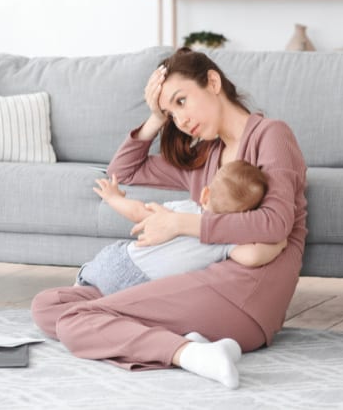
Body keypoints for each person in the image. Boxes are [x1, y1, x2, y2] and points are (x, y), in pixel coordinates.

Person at [30, 47, 307, 390]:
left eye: (181, 101)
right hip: (200, 278)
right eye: (171, 114)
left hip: (247, 290)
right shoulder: (205, 158)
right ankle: (189, 345)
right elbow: (123, 171)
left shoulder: (271, 135)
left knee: (74, 323)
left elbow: (276, 223)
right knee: (49, 307)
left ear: (213, 82)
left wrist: (180, 224)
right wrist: (154, 118)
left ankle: (188, 353)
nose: (181, 120)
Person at [77, 160, 287, 295]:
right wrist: (280, 242)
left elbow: (138, 213)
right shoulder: (227, 241)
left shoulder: (183, 209)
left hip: (119, 264)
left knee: (93, 271)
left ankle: (82, 281)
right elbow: (253, 257)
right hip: (147, 291)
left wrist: (113, 198)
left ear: (205, 195)